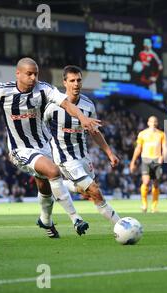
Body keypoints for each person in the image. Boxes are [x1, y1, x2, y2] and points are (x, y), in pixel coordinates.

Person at [0, 57, 101, 238]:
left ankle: (45, 220)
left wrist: (83, 118)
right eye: (29, 74)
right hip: (20, 149)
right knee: (53, 171)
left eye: (36, 74)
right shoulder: (3, 90)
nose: (33, 78)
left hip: (45, 146)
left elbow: (66, 104)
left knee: (45, 184)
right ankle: (75, 218)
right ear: (18, 74)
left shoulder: (44, 89)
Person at [43, 65, 122, 226]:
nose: (76, 84)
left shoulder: (88, 105)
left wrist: (109, 153)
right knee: (95, 190)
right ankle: (121, 224)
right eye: (72, 80)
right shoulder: (52, 106)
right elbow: (40, 128)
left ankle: (60, 184)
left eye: (79, 80)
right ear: (64, 82)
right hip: (64, 158)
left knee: (88, 192)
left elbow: (94, 132)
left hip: (82, 155)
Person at [130, 116, 167, 213]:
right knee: (146, 182)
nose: (153, 123)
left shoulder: (161, 134)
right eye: (151, 121)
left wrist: (162, 156)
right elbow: (138, 148)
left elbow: (165, 147)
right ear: (148, 122)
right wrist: (133, 161)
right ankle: (144, 204)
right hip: (146, 159)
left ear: (157, 123)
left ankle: (154, 206)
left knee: (155, 184)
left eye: (155, 121)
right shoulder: (142, 134)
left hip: (156, 160)